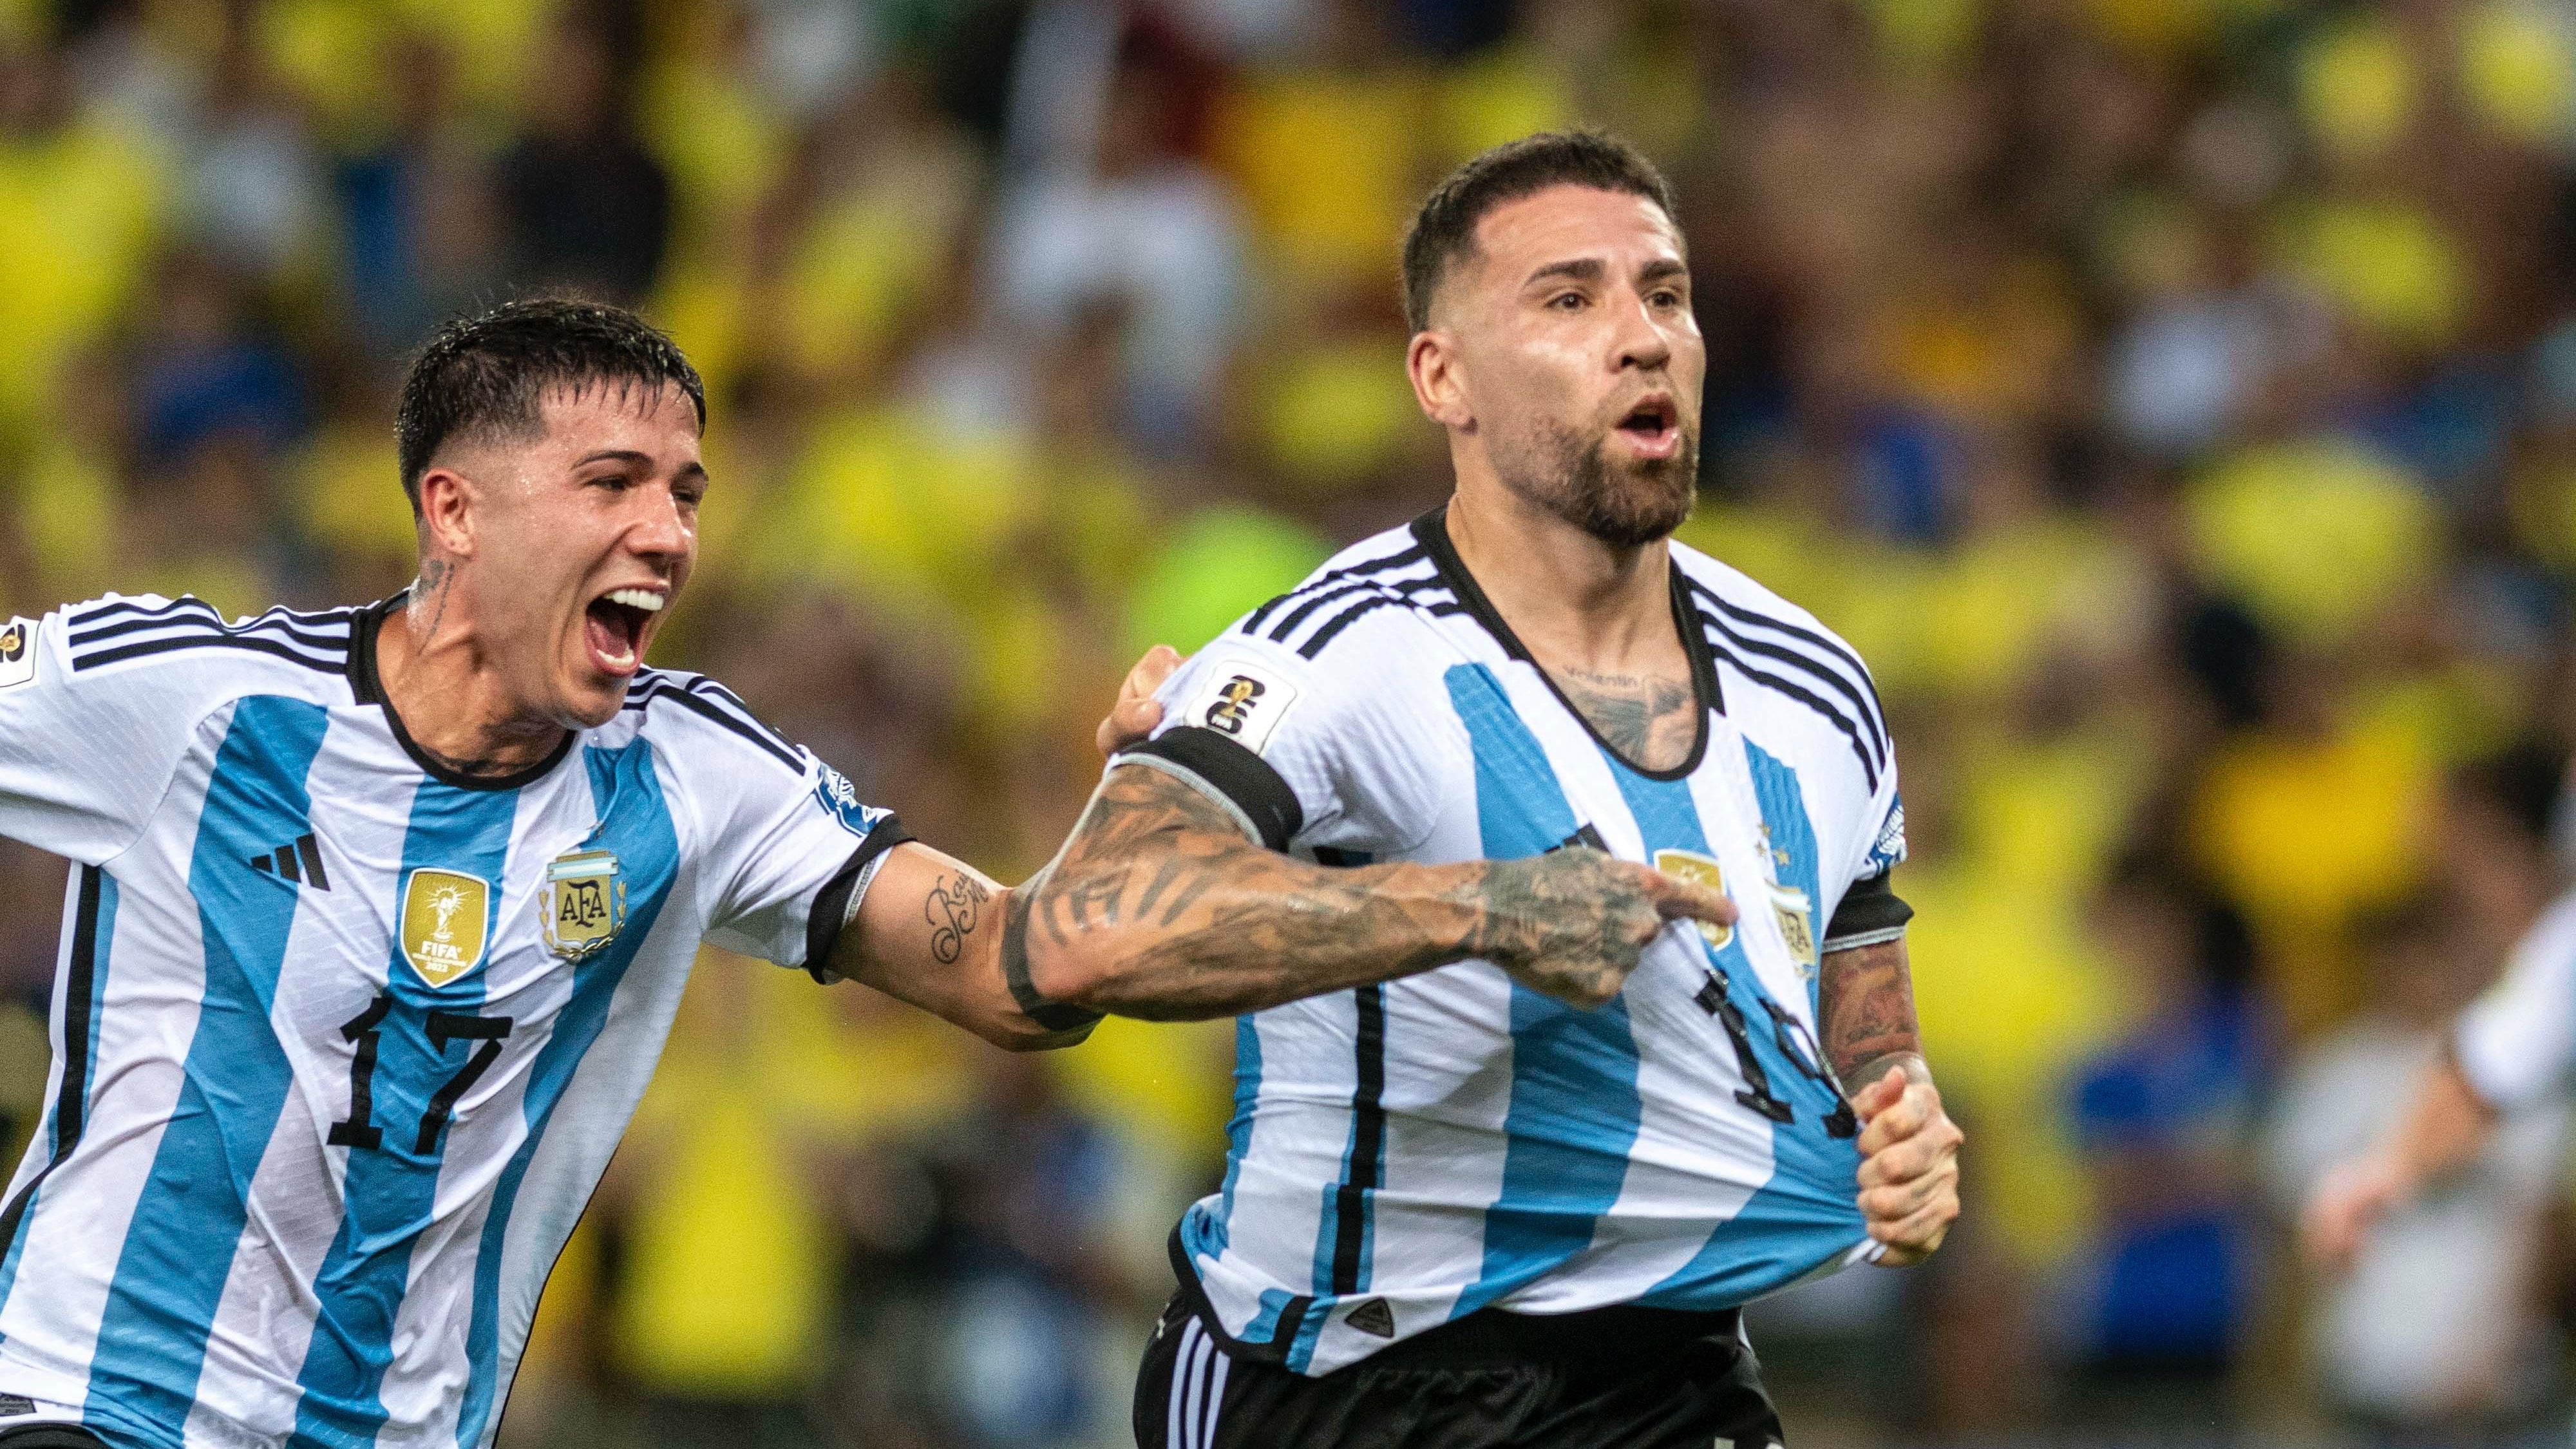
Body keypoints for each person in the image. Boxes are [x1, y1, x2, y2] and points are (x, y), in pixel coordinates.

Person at [0, 298, 1732, 1449]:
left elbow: (1029, 969)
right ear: (454, 512)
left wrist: (1464, 899)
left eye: (685, 487)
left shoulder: (693, 775)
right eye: (612, 480)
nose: (670, 530)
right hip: (83, 1402)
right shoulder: (184, 705)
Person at [994, 132, 1964, 1448]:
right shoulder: (1334, 657)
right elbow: (1077, 930)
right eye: (1567, 300)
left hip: (1665, 1376)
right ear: (1439, 377)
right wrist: (1482, 910)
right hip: (1342, 1381)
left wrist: (1892, 1094)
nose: (1639, 337)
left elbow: (1852, 927)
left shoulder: (1817, 683)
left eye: (1663, 294)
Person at [2300, 743, 2576, 1435]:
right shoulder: (2537, 977)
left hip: (2508, 1381)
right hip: (2402, 1377)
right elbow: (2488, 1065)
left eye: (2452, 836)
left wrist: (2383, 1171)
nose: (2434, 858)